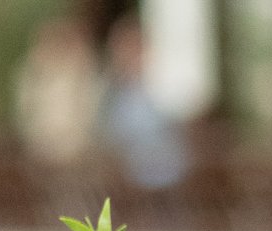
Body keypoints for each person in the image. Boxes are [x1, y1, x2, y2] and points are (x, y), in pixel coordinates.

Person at [98, 15, 189, 192]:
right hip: (124, 184)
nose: (132, 56)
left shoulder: (162, 89)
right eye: (126, 49)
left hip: (167, 180)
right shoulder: (107, 95)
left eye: (137, 48)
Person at [12, 17, 101, 167]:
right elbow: (25, 110)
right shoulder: (31, 73)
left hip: (75, 150)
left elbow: (88, 109)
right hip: (40, 148)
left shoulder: (79, 72)